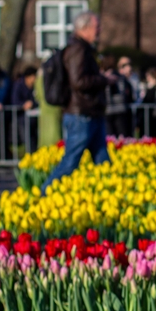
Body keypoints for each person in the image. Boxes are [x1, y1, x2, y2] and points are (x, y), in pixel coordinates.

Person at [41, 12, 110, 191]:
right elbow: (78, 81)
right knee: (70, 162)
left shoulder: (83, 49)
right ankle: (44, 193)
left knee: (103, 162)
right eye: (96, 27)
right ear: (84, 28)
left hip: (89, 113)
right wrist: (104, 79)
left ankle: (108, 196)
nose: (99, 30)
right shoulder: (78, 50)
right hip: (81, 114)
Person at [103, 56, 134, 138]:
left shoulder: (114, 77)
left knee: (112, 137)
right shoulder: (118, 77)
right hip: (117, 109)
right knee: (120, 136)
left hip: (112, 109)